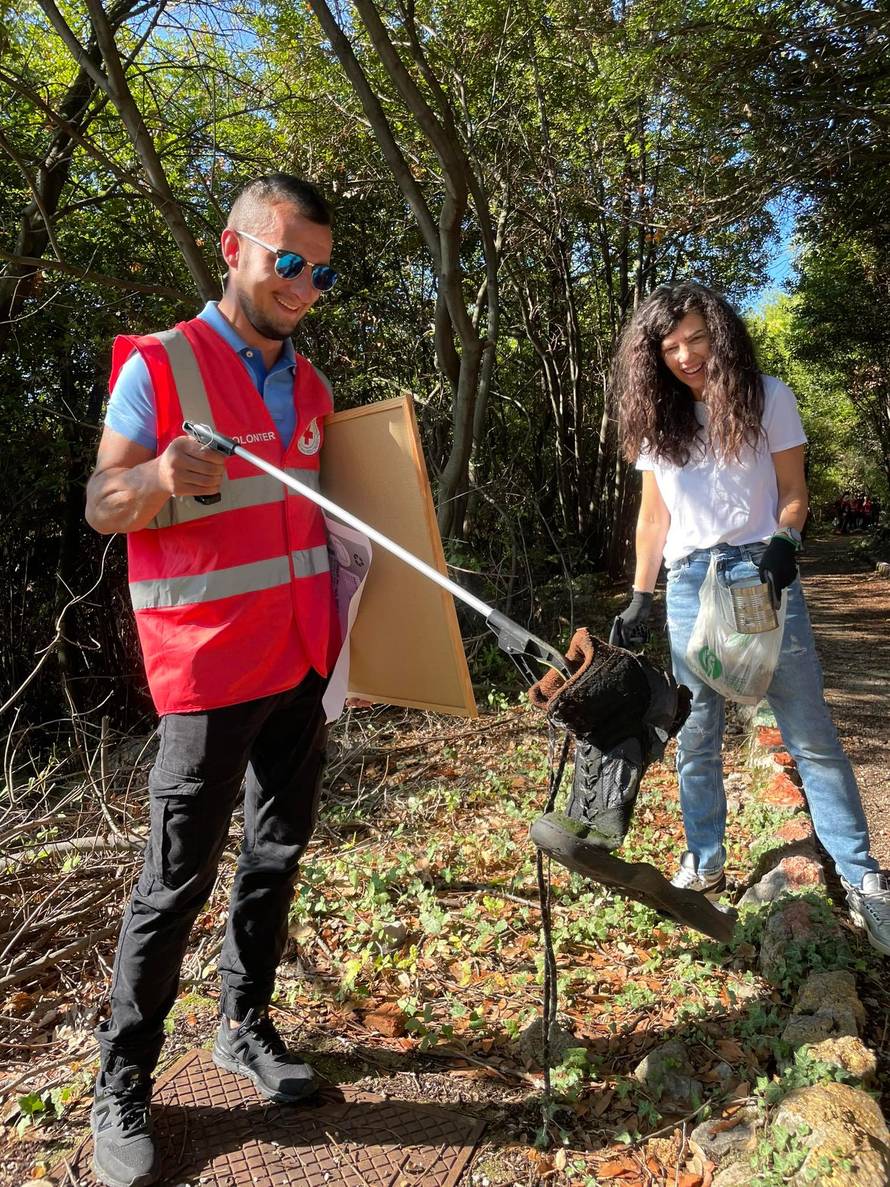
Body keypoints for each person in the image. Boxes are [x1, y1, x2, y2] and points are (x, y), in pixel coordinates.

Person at [84, 174, 342, 1187]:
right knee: (173, 880)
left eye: (321, 273)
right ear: (233, 248)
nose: (303, 286)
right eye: (289, 262)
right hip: (206, 665)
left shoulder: (314, 389)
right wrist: (155, 477)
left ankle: (243, 1023)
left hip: (301, 660)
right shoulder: (160, 365)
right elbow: (103, 501)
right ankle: (121, 1080)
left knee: (276, 851)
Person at [610, 281, 889, 957]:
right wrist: (641, 596)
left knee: (808, 728)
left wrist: (786, 542)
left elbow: (793, 493)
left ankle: (864, 879)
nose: (686, 356)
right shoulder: (658, 418)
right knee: (696, 732)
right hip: (688, 581)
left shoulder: (770, 397)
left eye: (697, 339)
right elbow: (654, 517)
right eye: (670, 347)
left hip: (757, 574)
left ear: (722, 335)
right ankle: (704, 862)